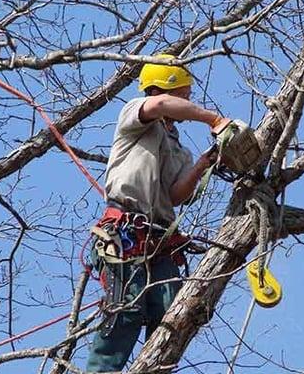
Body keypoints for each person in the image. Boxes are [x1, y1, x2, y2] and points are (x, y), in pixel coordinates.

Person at [86, 54, 230, 372]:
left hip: (159, 242)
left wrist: (203, 163)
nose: (188, 100)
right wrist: (213, 120)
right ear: (164, 87)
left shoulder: (178, 148)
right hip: (124, 233)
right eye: (184, 94)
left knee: (172, 316)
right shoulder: (135, 114)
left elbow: (177, 195)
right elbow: (160, 105)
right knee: (125, 311)